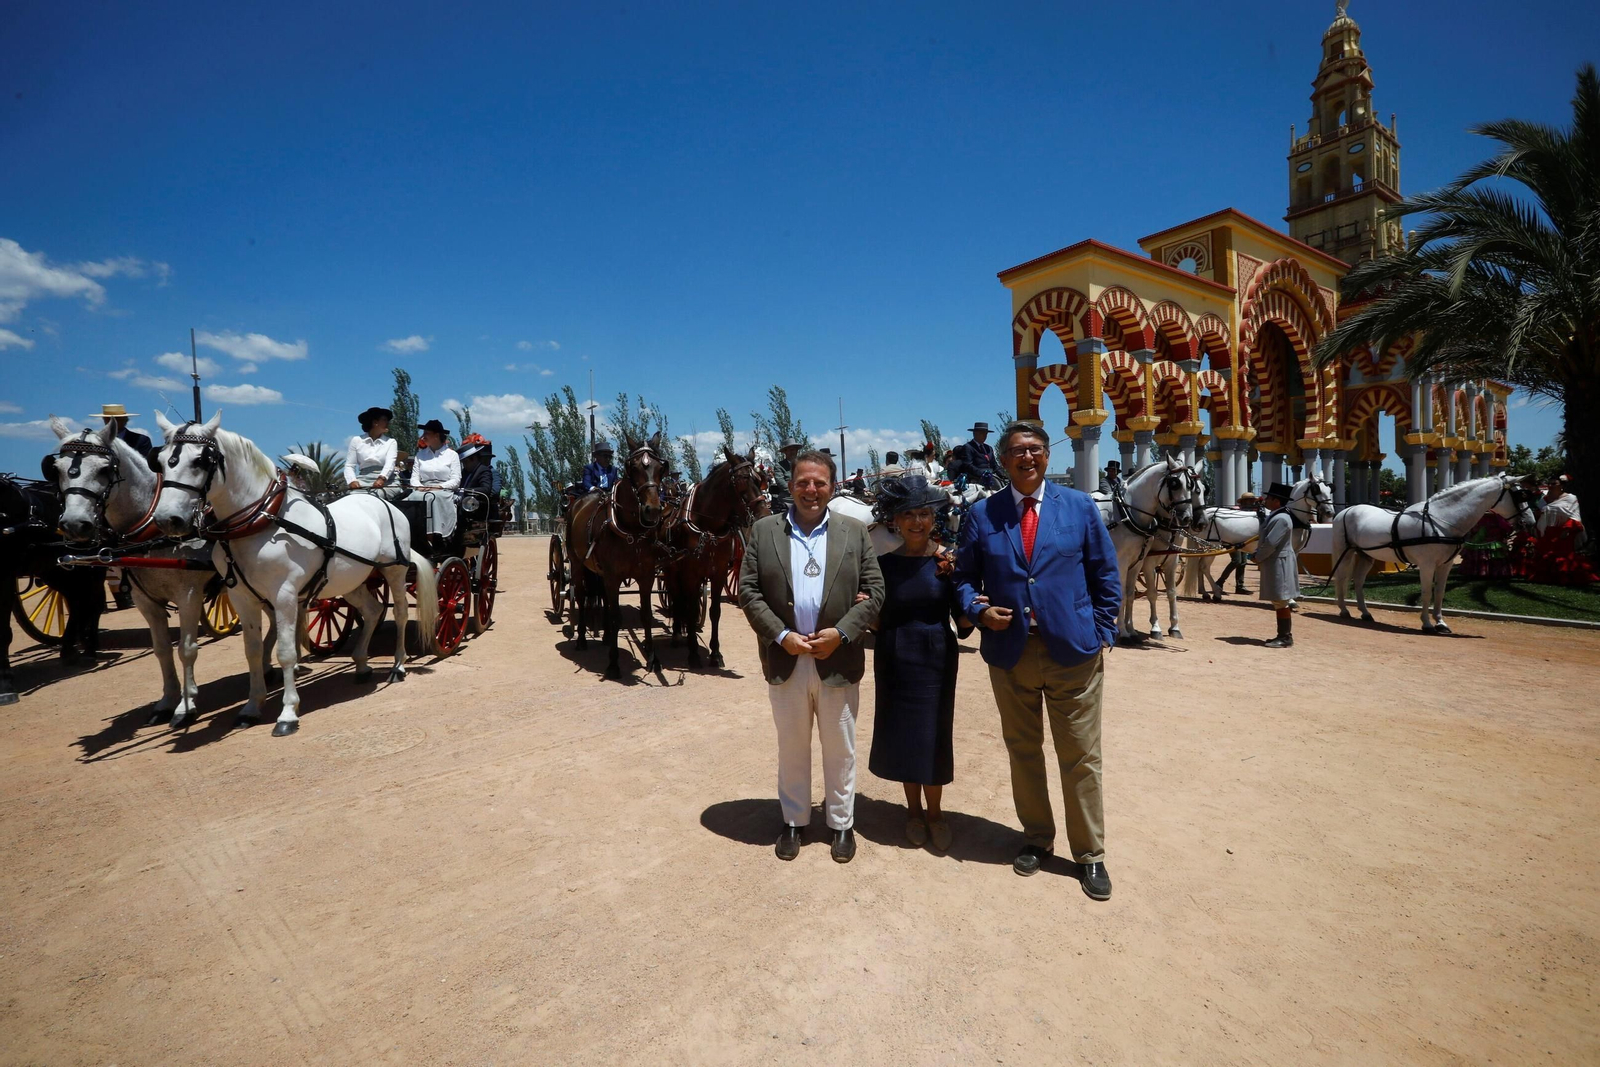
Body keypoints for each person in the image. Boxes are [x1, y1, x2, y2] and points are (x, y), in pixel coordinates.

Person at [954, 422, 1121, 900]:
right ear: (1003, 461)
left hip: (1073, 652)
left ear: (1047, 456)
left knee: (1081, 757)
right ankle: (1036, 838)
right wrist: (978, 610)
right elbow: (963, 578)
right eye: (1016, 452)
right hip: (1011, 656)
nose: (1026, 458)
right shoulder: (983, 514)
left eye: (1034, 450)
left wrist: (1102, 630)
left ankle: (1089, 855)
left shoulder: (1080, 507)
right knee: (1023, 751)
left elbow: (1105, 573)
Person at [738, 449, 884, 864]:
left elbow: (875, 592)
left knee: (840, 748)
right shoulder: (764, 531)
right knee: (792, 746)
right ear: (791, 486)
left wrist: (841, 633)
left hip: (837, 659)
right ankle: (793, 820)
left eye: (819, 482)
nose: (811, 489)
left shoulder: (854, 533)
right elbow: (748, 591)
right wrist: (781, 635)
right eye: (803, 481)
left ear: (832, 487)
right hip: (786, 660)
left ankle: (841, 824)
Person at [869, 475, 974, 851]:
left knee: (933, 733)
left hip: (937, 656)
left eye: (924, 514)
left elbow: (963, 622)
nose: (916, 522)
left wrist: (978, 599)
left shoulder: (948, 561)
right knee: (903, 733)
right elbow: (875, 617)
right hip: (894, 655)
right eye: (908, 514)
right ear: (895, 520)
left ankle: (935, 813)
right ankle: (912, 810)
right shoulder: (880, 564)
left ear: (934, 518)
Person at [1253, 482, 1299, 648]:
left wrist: (1258, 557)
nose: (1265, 500)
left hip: (1279, 562)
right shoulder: (1279, 516)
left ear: (1277, 501)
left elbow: (1271, 543)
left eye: (1269, 498)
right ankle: (1284, 635)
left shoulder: (1281, 519)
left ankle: (1285, 637)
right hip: (1277, 561)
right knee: (1279, 600)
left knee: (1281, 600)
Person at [403, 419, 461, 542]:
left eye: (426, 433)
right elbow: (414, 477)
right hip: (422, 488)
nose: (423, 437)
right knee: (412, 498)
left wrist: (439, 487)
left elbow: (456, 480)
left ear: (436, 435)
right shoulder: (420, 455)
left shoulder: (452, 455)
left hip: (443, 490)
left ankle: (434, 535)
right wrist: (419, 486)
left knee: (432, 497)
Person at [345, 407, 399, 495]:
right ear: (375, 422)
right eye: (385, 420)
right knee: (351, 496)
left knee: (375, 495)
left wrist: (382, 478)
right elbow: (349, 465)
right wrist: (352, 481)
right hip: (363, 480)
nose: (388, 423)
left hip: (388, 483)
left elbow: (390, 463)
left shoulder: (391, 442)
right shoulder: (356, 440)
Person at [1212, 491, 1257, 595]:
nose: (1251, 503)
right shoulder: (1235, 511)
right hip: (1231, 541)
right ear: (1244, 502)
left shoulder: (1251, 513)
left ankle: (1240, 586)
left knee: (1243, 562)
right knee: (1236, 561)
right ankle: (1220, 582)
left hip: (1244, 541)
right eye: (1249, 501)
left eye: (1252, 501)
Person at [948, 422, 1003, 489]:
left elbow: (994, 465)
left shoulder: (989, 448)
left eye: (986, 433)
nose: (984, 436)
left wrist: (1002, 474)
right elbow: (968, 465)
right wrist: (982, 473)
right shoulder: (968, 447)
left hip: (992, 479)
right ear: (975, 433)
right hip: (976, 480)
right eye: (982, 433)